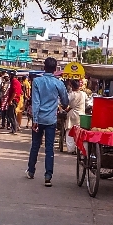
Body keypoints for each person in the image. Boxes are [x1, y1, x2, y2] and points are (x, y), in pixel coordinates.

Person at [26, 57, 69, 187]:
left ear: (44, 68)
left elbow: (36, 101)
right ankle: (48, 176)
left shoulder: (37, 81)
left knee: (35, 145)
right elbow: (65, 101)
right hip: (51, 120)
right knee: (49, 148)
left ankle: (31, 171)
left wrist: (35, 119)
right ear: (55, 69)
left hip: (38, 119)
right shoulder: (59, 83)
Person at [64, 79, 87, 152]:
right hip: (81, 116)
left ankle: (71, 149)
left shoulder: (71, 95)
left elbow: (65, 103)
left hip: (72, 116)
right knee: (79, 133)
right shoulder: (83, 94)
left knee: (69, 131)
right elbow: (88, 103)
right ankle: (78, 149)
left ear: (72, 86)